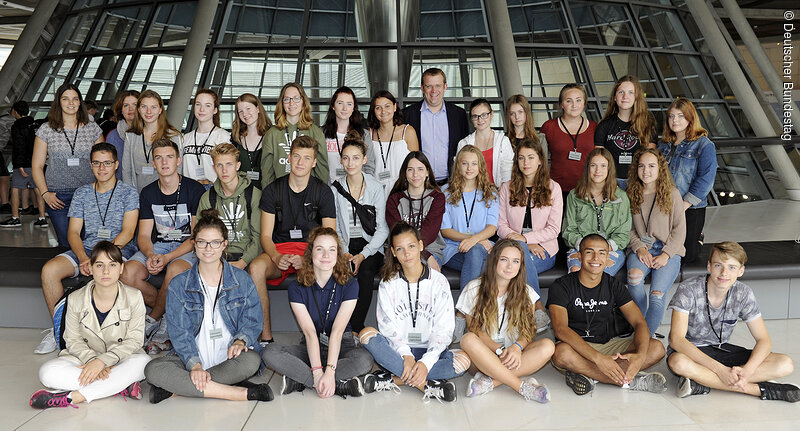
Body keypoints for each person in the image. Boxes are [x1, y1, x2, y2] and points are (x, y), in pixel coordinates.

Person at [144, 209, 273, 404]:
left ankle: (176, 390)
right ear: (194, 244)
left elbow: (253, 320)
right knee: (152, 370)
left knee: (252, 361)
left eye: (215, 242)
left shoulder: (242, 280)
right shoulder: (179, 284)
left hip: (230, 357)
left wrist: (240, 341)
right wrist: (194, 365)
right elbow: (179, 333)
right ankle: (239, 392)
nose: (208, 248)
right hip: (191, 358)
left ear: (224, 245)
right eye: (202, 242)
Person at [35, 143, 139, 355]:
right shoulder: (82, 193)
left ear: (116, 165)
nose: (102, 168)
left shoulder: (128, 192)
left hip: (119, 249)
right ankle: (60, 331)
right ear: (91, 166)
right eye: (97, 163)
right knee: (49, 270)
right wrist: (84, 258)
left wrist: (100, 260)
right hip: (87, 249)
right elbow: (73, 232)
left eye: (107, 163)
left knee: (114, 271)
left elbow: (128, 232)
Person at [667, 241, 800, 402]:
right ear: (709, 266)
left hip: (723, 350)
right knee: (678, 363)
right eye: (718, 265)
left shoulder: (743, 293)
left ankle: (702, 384)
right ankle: (758, 390)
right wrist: (720, 370)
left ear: (741, 271)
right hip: (692, 352)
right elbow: (677, 340)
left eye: (731, 267)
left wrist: (747, 371)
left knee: (785, 363)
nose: (724, 273)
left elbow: (763, 340)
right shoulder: (688, 290)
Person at [358, 222, 471, 402]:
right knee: (365, 335)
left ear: (420, 245)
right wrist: (406, 355)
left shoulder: (439, 282)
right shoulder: (388, 283)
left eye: (411, 246)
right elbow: (387, 326)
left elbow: (444, 329)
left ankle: (394, 378)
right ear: (393, 253)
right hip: (399, 353)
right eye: (400, 249)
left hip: (430, 350)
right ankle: (426, 385)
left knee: (463, 361)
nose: (407, 253)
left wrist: (426, 363)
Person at [30, 241, 151, 409]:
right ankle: (118, 385)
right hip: (84, 358)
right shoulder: (75, 298)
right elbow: (72, 340)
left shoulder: (134, 296)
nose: (106, 271)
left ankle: (73, 397)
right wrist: (93, 360)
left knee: (144, 363)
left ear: (121, 268)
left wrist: (102, 361)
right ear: (91, 268)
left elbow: (135, 340)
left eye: (112, 265)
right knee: (47, 372)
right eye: (99, 265)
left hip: (121, 358)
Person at [172, 143, 269, 345]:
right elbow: (200, 235)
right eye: (219, 165)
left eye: (229, 164)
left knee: (255, 270)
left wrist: (242, 262)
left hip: (247, 255)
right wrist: (218, 261)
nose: (224, 170)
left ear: (238, 165)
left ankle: (262, 337)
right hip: (217, 255)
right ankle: (204, 334)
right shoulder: (209, 197)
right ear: (214, 167)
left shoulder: (254, 194)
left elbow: (258, 237)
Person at [548, 234, 667, 396]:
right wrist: (598, 359)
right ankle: (630, 381)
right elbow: (560, 329)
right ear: (579, 256)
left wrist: (639, 356)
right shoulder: (561, 286)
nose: (596, 258)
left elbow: (639, 322)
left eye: (602, 253)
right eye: (589, 252)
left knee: (656, 348)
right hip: (576, 347)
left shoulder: (613, 285)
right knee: (560, 353)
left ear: (608, 258)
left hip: (608, 345)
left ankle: (588, 374)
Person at [262, 227, 373, 398]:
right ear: (311, 253)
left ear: (338, 255)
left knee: (365, 360)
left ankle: (300, 380)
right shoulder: (296, 288)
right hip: (310, 345)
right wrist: (317, 374)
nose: (326, 255)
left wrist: (329, 370)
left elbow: (337, 332)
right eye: (320, 249)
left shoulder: (350, 285)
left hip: (342, 344)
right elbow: (309, 333)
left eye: (332, 250)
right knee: (270, 352)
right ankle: (333, 384)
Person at [119, 139, 205, 354]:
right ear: (154, 163)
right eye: (158, 157)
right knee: (127, 273)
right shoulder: (148, 192)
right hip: (159, 246)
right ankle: (169, 315)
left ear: (178, 161)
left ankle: (152, 319)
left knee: (175, 271)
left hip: (188, 247)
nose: (164, 162)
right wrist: (150, 255)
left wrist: (167, 259)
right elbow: (145, 235)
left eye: (169, 157)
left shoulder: (195, 189)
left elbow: (196, 237)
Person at [458, 239, 554, 401]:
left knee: (548, 346)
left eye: (515, 261)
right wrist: (498, 350)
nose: (510, 266)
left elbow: (528, 331)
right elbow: (474, 329)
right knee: (468, 339)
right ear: (494, 260)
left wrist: (516, 348)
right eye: (504, 260)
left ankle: (490, 382)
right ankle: (521, 387)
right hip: (484, 356)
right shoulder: (474, 288)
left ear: (520, 265)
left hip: (514, 356)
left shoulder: (526, 292)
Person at [258, 135, 336, 308]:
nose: (300, 162)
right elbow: (265, 236)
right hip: (280, 250)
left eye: (307, 158)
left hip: (310, 249)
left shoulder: (323, 192)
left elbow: (330, 238)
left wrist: (308, 258)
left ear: (314, 162)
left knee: (321, 265)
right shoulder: (273, 190)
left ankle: (316, 331)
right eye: (296, 156)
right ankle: (265, 335)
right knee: (256, 268)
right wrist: (276, 256)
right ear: (289, 158)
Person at [496, 138, 560, 330]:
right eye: (521, 158)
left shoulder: (553, 188)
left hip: (543, 250)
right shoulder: (507, 188)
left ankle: (509, 319)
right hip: (512, 247)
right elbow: (500, 225)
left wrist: (526, 239)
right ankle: (537, 307)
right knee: (517, 261)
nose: (526, 163)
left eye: (531, 158)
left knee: (513, 266)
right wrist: (522, 244)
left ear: (540, 160)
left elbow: (554, 229)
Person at [31, 83, 104, 247]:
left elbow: (103, 165)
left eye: (75, 99)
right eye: (65, 99)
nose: (71, 103)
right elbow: (36, 166)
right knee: (66, 243)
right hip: (58, 196)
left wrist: (101, 192)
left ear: (80, 103)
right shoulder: (46, 129)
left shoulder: (93, 129)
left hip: (88, 194)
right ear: (59, 102)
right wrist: (45, 194)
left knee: (90, 243)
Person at [330, 131, 388, 333]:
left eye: (355, 158)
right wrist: (344, 251)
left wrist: (363, 255)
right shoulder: (336, 189)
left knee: (364, 272)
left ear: (364, 159)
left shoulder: (375, 187)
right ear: (341, 161)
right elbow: (335, 227)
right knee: (338, 273)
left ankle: (356, 328)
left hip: (371, 246)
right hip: (345, 245)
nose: (350, 163)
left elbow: (382, 229)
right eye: (345, 158)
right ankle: (336, 328)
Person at [626, 148, 685, 336]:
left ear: (661, 168)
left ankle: (645, 338)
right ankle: (640, 322)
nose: (646, 171)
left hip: (668, 250)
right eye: (641, 166)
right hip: (642, 247)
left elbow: (679, 230)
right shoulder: (631, 193)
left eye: (651, 166)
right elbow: (627, 229)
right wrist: (640, 248)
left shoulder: (672, 193)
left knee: (657, 296)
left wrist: (666, 254)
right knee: (634, 279)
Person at [657, 97, 718, 264]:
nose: (675, 120)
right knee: (663, 248)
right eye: (671, 116)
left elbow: (706, 179)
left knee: (687, 255)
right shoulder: (663, 145)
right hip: (665, 205)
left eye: (680, 116)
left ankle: (698, 239)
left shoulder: (703, 145)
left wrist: (683, 204)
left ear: (690, 118)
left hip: (690, 208)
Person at [562, 147, 630, 275]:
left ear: (609, 169)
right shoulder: (574, 195)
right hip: (581, 248)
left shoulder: (621, 197)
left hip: (610, 250)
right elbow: (568, 230)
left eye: (603, 166)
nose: (598, 170)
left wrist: (602, 249)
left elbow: (624, 233)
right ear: (588, 168)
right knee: (576, 273)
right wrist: (587, 248)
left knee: (600, 275)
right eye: (593, 165)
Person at [439, 145, 498, 289]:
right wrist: (473, 240)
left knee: (484, 253)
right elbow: (445, 230)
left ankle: (466, 309)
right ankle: (469, 308)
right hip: (454, 249)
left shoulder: (491, 193)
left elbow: (492, 228)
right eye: (464, 163)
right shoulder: (445, 192)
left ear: (480, 167)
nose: (469, 168)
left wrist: (474, 240)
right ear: (458, 165)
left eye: (474, 163)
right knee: (480, 257)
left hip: (483, 246)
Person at [402, 67, 469, 183]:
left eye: (438, 86)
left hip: (451, 182)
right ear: (422, 88)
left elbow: (464, 149)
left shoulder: (459, 115)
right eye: (429, 86)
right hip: (419, 183)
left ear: (445, 87)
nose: (434, 91)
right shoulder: (407, 115)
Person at [385, 151, 445, 271]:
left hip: (430, 249)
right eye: (410, 169)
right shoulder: (394, 200)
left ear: (427, 172)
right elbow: (398, 233)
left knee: (418, 268)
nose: (415, 174)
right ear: (405, 173)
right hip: (401, 251)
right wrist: (425, 256)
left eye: (420, 169)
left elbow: (430, 232)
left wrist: (425, 254)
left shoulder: (437, 198)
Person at [262, 82, 328, 187]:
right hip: (279, 194)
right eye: (287, 99)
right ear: (282, 103)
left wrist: (319, 195)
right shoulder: (272, 134)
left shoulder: (315, 132)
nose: (291, 103)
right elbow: (267, 173)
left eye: (296, 98)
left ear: (303, 102)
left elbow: (322, 170)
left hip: (309, 193)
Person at [594, 75, 656, 188]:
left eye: (631, 92)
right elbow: (599, 158)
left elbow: (650, 157)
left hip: (638, 181)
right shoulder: (604, 125)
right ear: (614, 97)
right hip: (611, 182)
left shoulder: (647, 124)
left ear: (637, 97)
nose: (625, 96)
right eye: (621, 92)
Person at [538, 85, 597, 195]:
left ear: (584, 103)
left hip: (586, 189)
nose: (574, 105)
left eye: (578, 100)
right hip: (555, 189)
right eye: (569, 101)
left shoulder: (594, 128)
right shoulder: (549, 127)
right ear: (561, 104)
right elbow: (540, 159)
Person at [122, 89, 183, 194]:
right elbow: (126, 171)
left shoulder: (173, 136)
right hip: (138, 196)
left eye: (153, 107)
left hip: (166, 195)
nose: (148, 112)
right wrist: (131, 197)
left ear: (160, 110)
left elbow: (179, 169)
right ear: (139, 110)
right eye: (144, 107)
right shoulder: (130, 136)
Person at [2, 100, 47, 228]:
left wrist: (20, 165)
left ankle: (15, 217)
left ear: (15, 111)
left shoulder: (17, 126)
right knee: (38, 189)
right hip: (37, 162)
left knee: (16, 189)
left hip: (23, 163)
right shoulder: (35, 124)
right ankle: (42, 217)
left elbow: (19, 146)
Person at [367, 90, 419, 196]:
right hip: (375, 191)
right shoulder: (369, 134)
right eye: (378, 108)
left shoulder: (407, 131)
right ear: (373, 111)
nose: (383, 111)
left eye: (387, 106)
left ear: (395, 107)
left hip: (403, 191)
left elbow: (416, 164)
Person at [322, 86, 376, 182]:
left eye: (349, 104)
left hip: (355, 191)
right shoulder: (321, 133)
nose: (344, 108)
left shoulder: (363, 135)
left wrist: (361, 187)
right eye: (340, 103)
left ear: (353, 108)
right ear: (333, 106)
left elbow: (369, 165)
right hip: (327, 190)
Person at [456, 98, 513, 187]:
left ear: (491, 114)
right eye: (475, 116)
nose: (480, 120)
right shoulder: (464, 143)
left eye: (484, 115)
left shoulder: (503, 141)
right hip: (472, 194)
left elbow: (508, 174)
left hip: (498, 194)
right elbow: (459, 173)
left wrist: (502, 193)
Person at [181, 89, 232, 187]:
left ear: (215, 110)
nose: (202, 109)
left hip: (214, 189)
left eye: (207, 105)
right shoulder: (185, 138)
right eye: (198, 104)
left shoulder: (222, 136)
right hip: (190, 190)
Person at [231, 93, 271, 186]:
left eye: (248, 109)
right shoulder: (235, 138)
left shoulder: (271, 135)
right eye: (240, 111)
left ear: (258, 109)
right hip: (242, 195)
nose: (245, 114)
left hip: (267, 193)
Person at [106, 90, 140, 180]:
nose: (131, 109)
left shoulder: (151, 133)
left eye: (135, 105)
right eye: (126, 105)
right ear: (121, 110)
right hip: (120, 187)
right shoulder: (113, 136)